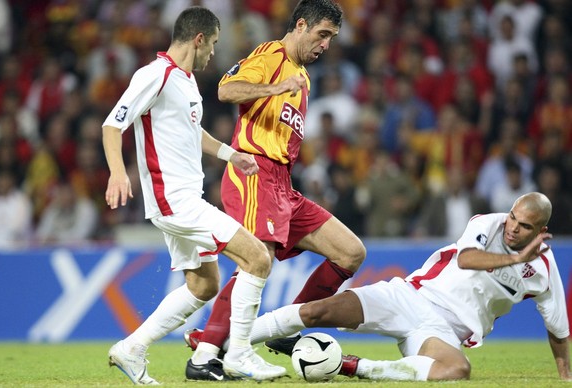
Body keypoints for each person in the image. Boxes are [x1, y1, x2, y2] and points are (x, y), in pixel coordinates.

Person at [102, 6, 286, 384]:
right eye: (214, 44)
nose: (214, 53)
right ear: (198, 39)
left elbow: (192, 132)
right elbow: (112, 124)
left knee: (204, 285)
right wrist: (118, 173)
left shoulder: (185, 81)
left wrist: (230, 154)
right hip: (175, 199)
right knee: (257, 258)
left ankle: (131, 348)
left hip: (186, 198)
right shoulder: (156, 74)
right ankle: (238, 354)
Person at [184, 0, 366, 380]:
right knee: (255, 260)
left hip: (283, 183)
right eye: (322, 35)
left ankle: (284, 328)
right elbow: (226, 89)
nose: (326, 45)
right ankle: (205, 352)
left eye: (332, 38)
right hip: (254, 171)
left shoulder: (304, 76)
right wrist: (278, 85)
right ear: (300, 25)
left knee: (350, 252)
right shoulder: (272, 54)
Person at [245, 192, 572, 381]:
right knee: (317, 311)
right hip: (408, 297)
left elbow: (557, 327)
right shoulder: (489, 223)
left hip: (443, 332)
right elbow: (467, 259)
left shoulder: (542, 269)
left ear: (541, 229)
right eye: (513, 216)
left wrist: (564, 374)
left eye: (524, 225)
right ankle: (229, 343)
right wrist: (513, 260)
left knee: (457, 370)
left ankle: (355, 367)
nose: (512, 227)